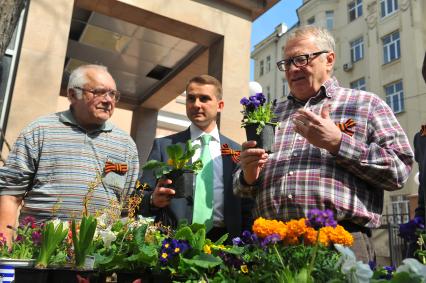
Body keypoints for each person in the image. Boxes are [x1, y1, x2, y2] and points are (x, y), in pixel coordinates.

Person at [234, 26, 413, 262]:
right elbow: (240, 186)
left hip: (339, 244)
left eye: (301, 59)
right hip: (273, 248)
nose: (292, 69)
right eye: (286, 63)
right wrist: (247, 175)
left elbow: (399, 170)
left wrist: (338, 143)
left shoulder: (365, 104)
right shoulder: (268, 115)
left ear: (329, 59)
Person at [0, 64, 139, 243]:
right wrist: (4, 246)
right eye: (99, 92)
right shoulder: (40, 131)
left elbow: (127, 209)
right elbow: (10, 194)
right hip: (39, 253)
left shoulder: (126, 145)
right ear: (73, 94)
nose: (108, 100)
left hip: (98, 259)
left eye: (113, 94)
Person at [139, 75, 253, 241]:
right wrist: (152, 200)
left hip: (225, 244)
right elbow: (137, 197)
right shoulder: (164, 146)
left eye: (204, 98)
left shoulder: (236, 151)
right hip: (174, 243)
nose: (196, 104)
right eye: (191, 98)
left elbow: (246, 203)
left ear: (220, 105)